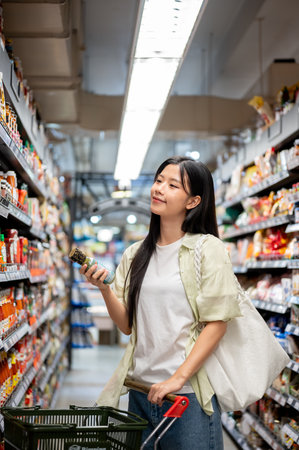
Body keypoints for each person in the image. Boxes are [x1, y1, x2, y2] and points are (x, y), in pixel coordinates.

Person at [80, 156, 242, 449]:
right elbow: (127, 325)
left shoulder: (208, 249)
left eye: (172, 185)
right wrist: (105, 289)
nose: (159, 189)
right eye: (158, 181)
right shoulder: (135, 254)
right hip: (140, 390)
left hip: (186, 396)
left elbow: (217, 324)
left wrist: (176, 379)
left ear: (192, 202)